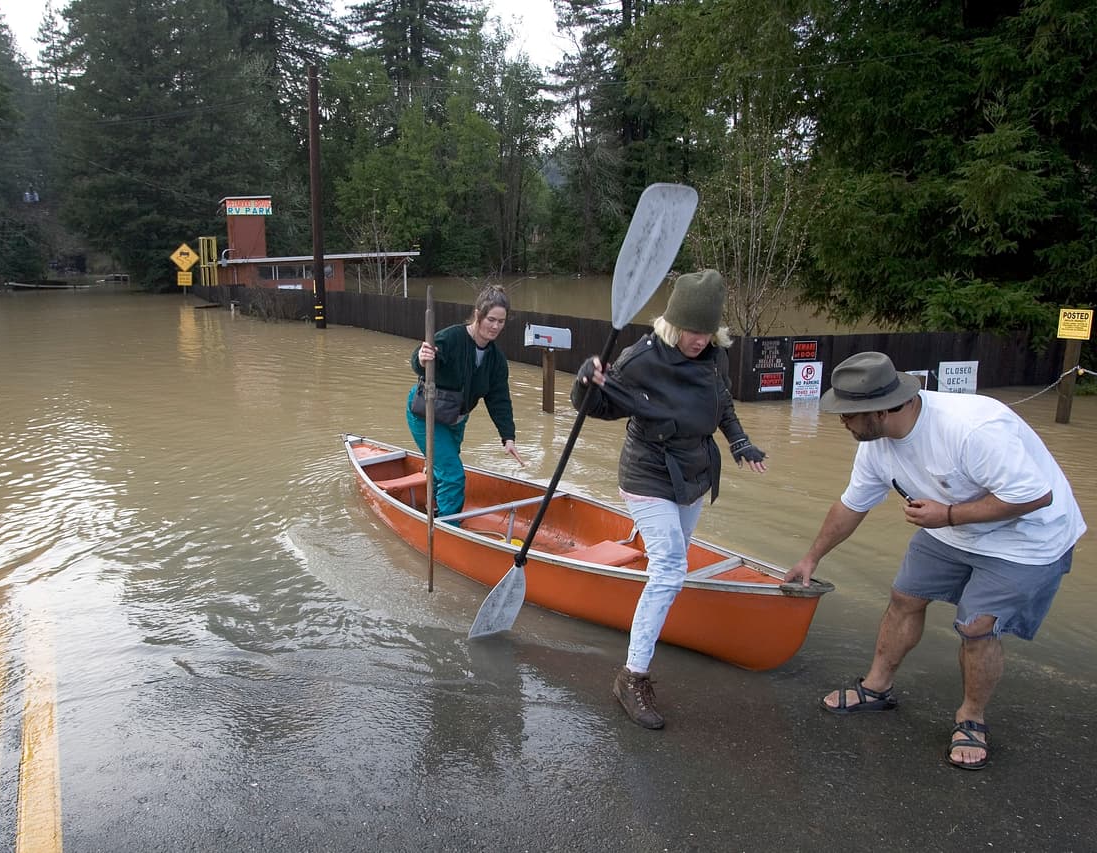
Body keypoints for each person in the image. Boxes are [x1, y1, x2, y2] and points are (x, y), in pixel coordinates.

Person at [784, 351, 1086, 770]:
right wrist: (810, 559)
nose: (842, 421)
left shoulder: (972, 428)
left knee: (976, 625)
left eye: (849, 413)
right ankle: (876, 688)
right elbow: (851, 505)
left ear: (884, 408)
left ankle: (971, 720)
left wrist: (947, 515)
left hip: (1026, 535)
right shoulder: (876, 445)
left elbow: (1033, 496)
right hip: (951, 525)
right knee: (904, 596)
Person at [571, 269, 768, 729]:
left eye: (706, 332)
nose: (698, 340)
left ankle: (652, 606)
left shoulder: (715, 355)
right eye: (691, 331)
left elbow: (722, 403)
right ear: (673, 324)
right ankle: (632, 675)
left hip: (695, 475)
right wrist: (585, 381)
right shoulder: (642, 359)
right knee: (671, 566)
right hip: (647, 474)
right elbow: (599, 406)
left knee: (668, 565)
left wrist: (739, 442)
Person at [407, 284, 524, 520]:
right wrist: (422, 357)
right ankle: (449, 527)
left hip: (456, 418)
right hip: (427, 414)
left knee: (444, 469)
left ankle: (438, 509)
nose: (495, 326)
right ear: (478, 314)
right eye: (491, 319)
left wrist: (508, 436)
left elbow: (499, 399)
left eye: (501, 322)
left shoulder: (496, 360)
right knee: (453, 475)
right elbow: (422, 360)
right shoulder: (452, 338)